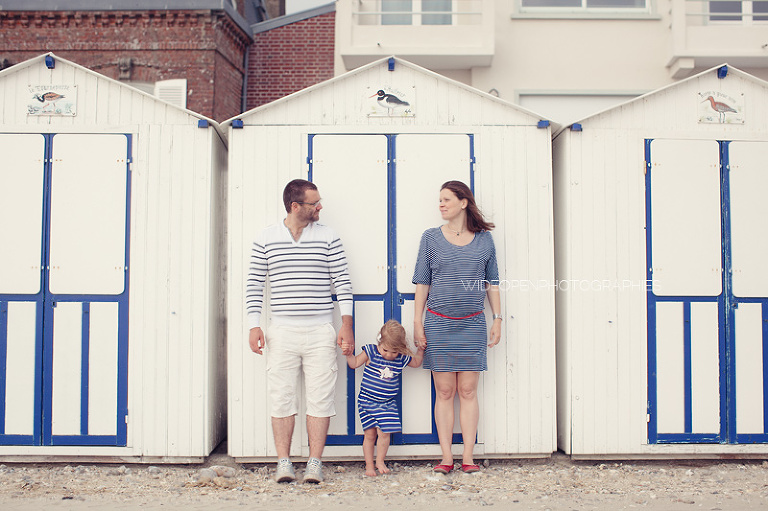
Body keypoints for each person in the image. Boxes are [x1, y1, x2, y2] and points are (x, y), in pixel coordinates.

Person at [247, 179, 355, 484]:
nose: (320, 207)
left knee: (321, 398)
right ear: (296, 206)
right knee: (281, 397)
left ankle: (314, 463)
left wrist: (346, 324)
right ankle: (284, 462)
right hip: (281, 330)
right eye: (314, 203)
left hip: (320, 329)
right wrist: (254, 324)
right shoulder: (266, 238)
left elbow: (343, 283)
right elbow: (254, 285)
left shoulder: (328, 237)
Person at [412, 180, 502, 475]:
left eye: (446, 199)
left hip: (473, 323)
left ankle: (468, 457)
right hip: (438, 323)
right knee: (445, 390)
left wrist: (498, 318)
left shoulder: (484, 240)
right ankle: (446, 457)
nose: (441, 204)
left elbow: (493, 283)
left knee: (467, 390)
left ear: (463, 202)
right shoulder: (430, 238)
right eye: (439, 200)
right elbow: (422, 283)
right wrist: (417, 323)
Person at [345, 320, 424, 477]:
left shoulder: (400, 358)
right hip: (367, 402)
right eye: (385, 350)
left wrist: (420, 349)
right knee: (369, 435)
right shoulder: (371, 352)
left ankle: (380, 461)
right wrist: (348, 354)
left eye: (394, 352)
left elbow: (415, 362)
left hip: (387, 404)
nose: (389, 355)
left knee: (384, 434)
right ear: (379, 342)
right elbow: (354, 364)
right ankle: (369, 465)